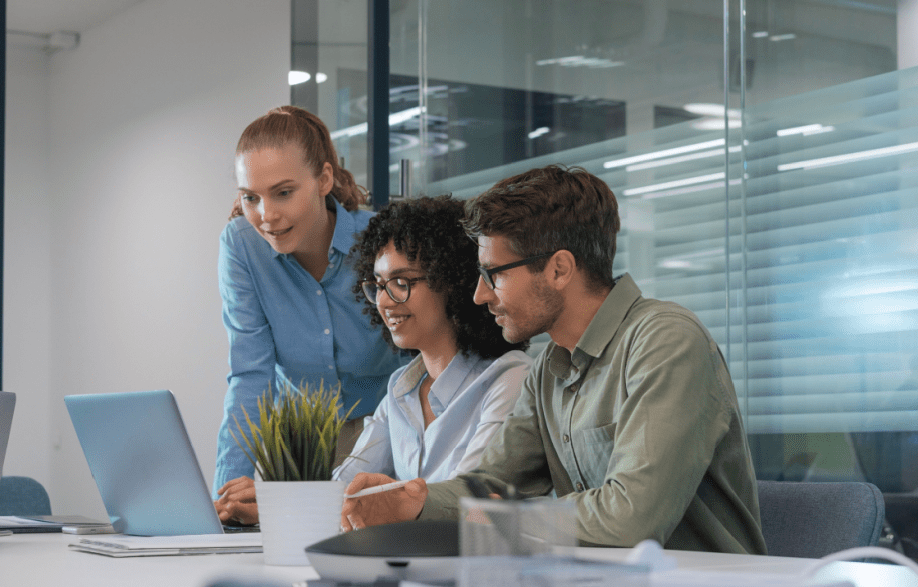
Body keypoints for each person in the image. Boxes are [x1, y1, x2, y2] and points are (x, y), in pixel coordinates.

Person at [340, 165, 767, 553]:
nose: (479, 295)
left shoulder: (665, 342)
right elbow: (490, 485)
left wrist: (501, 518)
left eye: (494, 274)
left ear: (559, 269)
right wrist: (416, 499)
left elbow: (631, 518)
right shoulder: (549, 368)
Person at [216, 196, 533, 524]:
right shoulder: (401, 389)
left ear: (453, 281)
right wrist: (272, 502)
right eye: (379, 285)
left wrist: (391, 501)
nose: (384, 301)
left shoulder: (508, 379)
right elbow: (344, 487)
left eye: (401, 283)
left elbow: (469, 499)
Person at [214, 106, 403, 520]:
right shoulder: (242, 246)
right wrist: (225, 503)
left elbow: (421, 361)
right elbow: (250, 375)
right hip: (298, 443)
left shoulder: (381, 241)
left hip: (386, 431)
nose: (266, 215)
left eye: (283, 192)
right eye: (251, 197)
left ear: (324, 179)